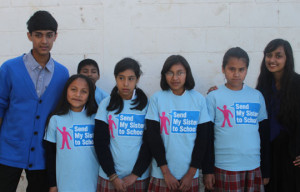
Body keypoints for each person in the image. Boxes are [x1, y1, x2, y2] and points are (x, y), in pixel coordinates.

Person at [0, 10, 69, 192]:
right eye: (38, 35)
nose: (44, 41)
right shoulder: (9, 69)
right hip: (8, 150)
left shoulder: (62, 74)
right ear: (29, 36)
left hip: (42, 154)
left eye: (49, 35)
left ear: (55, 36)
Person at [145, 55, 214, 192]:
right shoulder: (157, 99)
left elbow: (203, 140)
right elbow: (153, 138)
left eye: (180, 73)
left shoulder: (198, 99)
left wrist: (190, 173)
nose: (175, 78)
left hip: (188, 177)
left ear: (187, 74)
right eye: (170, 73)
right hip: (161, 175)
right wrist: (166, 173)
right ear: (164, 75)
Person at [205, 47, 270, 191]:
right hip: (224, 166)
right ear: (223, 69)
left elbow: (264, 135)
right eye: (231, 69)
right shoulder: (214, 96)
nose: (236, 74)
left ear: (247, 70)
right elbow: (207, 136)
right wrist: (208, 170)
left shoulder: (256, 96)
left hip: (253, 165)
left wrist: (266, 168)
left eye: (241, 69)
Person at [94, 58, 150, 192]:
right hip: (109, 177)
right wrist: (113, 176)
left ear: (137, 79)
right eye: (121, 78)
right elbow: (100, 143)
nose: (125, 83)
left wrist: (135, 174)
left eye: (131, 78)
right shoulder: (106, 104)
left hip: (138, 177)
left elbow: (149, 143)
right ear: (115, 78)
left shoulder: (146, 105)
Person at [256, 39, 300, 192]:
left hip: (291, 154)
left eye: (278, 55)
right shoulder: (263, 86)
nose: (272, 60)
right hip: (268, 154)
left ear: (287, 58)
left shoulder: (298, 84)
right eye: (269, 55)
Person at [44, 74, 99, 192]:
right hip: (65, 183)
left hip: (93, 183)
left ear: (90, 95)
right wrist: (52, 184)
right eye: (73, 89)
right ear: (66, 91)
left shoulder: (96, 118)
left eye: (84, 91)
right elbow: (50, 155)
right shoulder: (56, 119)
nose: (78, 95)